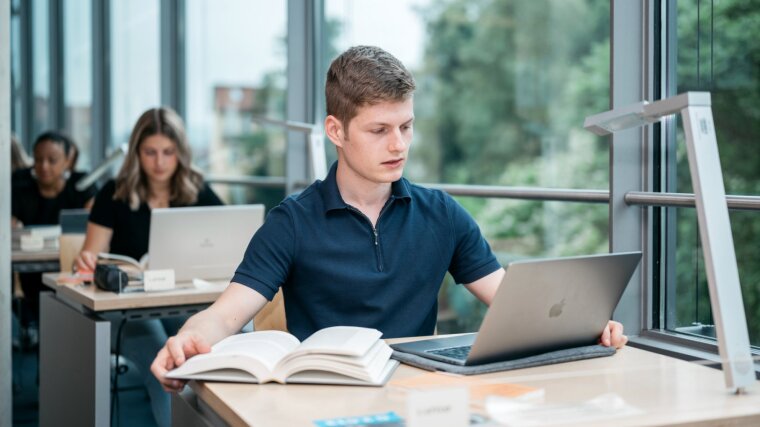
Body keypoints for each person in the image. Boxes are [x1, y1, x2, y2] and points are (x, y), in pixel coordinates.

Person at [151, 46, 628, 393]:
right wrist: (187, 341)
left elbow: (516, 306)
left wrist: (586, 326)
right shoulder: (292, 221)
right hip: (322, 398)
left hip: (419, 398)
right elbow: (226, 314)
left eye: (406, 126)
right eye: (379, 131)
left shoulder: (442, 215)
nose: (399, 145)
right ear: (335, 131)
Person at [75, 106, 223, 427]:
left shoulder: (198, 190)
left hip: (180, 303)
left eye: (168, 152)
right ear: (136, 153)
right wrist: (87, 262)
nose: (159, 162)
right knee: (163, 355)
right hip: (127, 310)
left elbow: (227, 244)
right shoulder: (112, 195)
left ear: (180, 153)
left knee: (212, 347)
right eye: (150, 152)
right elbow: (90, 257)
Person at [11, 131, 97, 330]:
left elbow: (95, 223)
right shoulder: (21, 187)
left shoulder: (82, 184)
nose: (44, 166)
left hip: (74, 267)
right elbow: (9, 229)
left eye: (52, 160)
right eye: (38, 160)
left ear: (68, 160)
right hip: (32, 274)